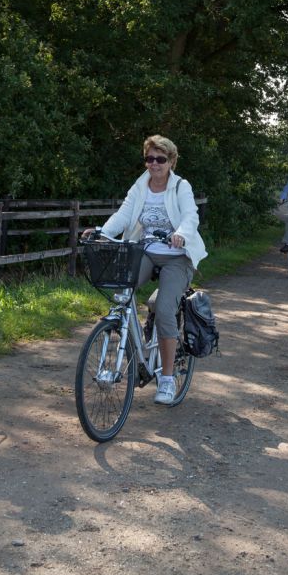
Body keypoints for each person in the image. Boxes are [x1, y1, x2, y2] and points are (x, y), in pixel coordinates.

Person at [84, 135, 207, 405]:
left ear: (171, 161)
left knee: (164, 309)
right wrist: (103, 232)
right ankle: (134, 339)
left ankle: (166, 377)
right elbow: (124, 215)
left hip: (177, 255)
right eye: (149, 159)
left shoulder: (180, 187)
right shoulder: (140, 186)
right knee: (122, 292)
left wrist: (182, 234)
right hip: (145, 250)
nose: (154, 164)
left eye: (160, 159)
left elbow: (190, 216)